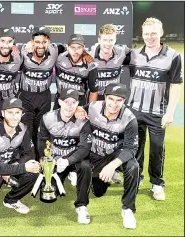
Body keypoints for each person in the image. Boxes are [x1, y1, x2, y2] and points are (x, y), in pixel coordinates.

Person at [127, 17, 183, 200]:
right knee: (136, 147)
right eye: (146, 34)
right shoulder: (133, 54)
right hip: (134, 111)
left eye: (154, 33)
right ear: (141, 35)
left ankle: (156, 183)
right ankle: (137, 177)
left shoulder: (173, 56)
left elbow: (176, 84)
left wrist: (170, 111)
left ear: (161, 33)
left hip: (158, 112)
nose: (150, 37)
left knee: (157, 149)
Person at [77, 82, 140, 229]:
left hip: (112, 155)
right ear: (105, 97)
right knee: (97, 190)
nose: (114, 104)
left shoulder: (130, 119)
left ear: (124, 100)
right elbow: (78, 110)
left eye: (119, 100)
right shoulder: (93, 107)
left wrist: (112, 166)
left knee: (133, 166)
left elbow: (131, 148)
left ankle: (128, 209)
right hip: (92, 154)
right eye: (111, 99)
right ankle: (81, 206)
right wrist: (79, 109)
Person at [0, 97, 40, 218]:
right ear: (3, 113)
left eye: (17, 113)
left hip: (9, 165)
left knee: (34, 171)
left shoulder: (24, 128)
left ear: (22, 114)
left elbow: (29, 154)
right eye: (10, 112)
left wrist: (16, 166)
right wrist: (22, 168)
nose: (14, 116)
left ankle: (11, 200)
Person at [37, 88, 92, 224]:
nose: (69, 106)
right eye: (66, 101)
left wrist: (68, 161)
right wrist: (46, 161)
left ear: (78, 103)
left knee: (86, 166)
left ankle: (82, 205)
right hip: (55, 159)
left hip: (74, 158)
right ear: (59, 102)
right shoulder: (47, 118)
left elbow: (85, 147)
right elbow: (41, 141)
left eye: (73, 102)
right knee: (50, 193)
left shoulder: (84, 121)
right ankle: (60, 177)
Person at [89, 24, 132, 184]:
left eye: (111, 40)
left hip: (114, 102)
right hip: (97, 100)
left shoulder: (121, 52)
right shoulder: (90, 55)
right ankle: (92, 167)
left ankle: (112, 168)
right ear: (99, 39)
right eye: (105, 40)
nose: (108, 43)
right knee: (95, 136)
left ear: (115, 39)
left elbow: (137, 54)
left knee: (114, 137)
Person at [18, 26, 59, 160]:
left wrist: (86, 55)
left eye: (44, 42)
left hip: (44, 97)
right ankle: (28, 163)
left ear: (49, 42)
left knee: (41, 132)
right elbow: (5, 49)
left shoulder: (55, 50)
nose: (41, 45)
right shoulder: (22, 50)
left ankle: (41, 162)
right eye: (37, 42)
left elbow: (69, 50)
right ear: (32, 42)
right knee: (26, 131)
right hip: (26, 97)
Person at [54, 34, 98, 108]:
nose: (75, 51)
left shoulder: (90, 65)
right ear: (67, 47)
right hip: (60, 100)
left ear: (83, 48)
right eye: (72, 47)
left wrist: (90, 109)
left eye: (79, 48)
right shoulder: (59, 57)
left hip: (79, 103)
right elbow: (45, 48)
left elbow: (93, 91)